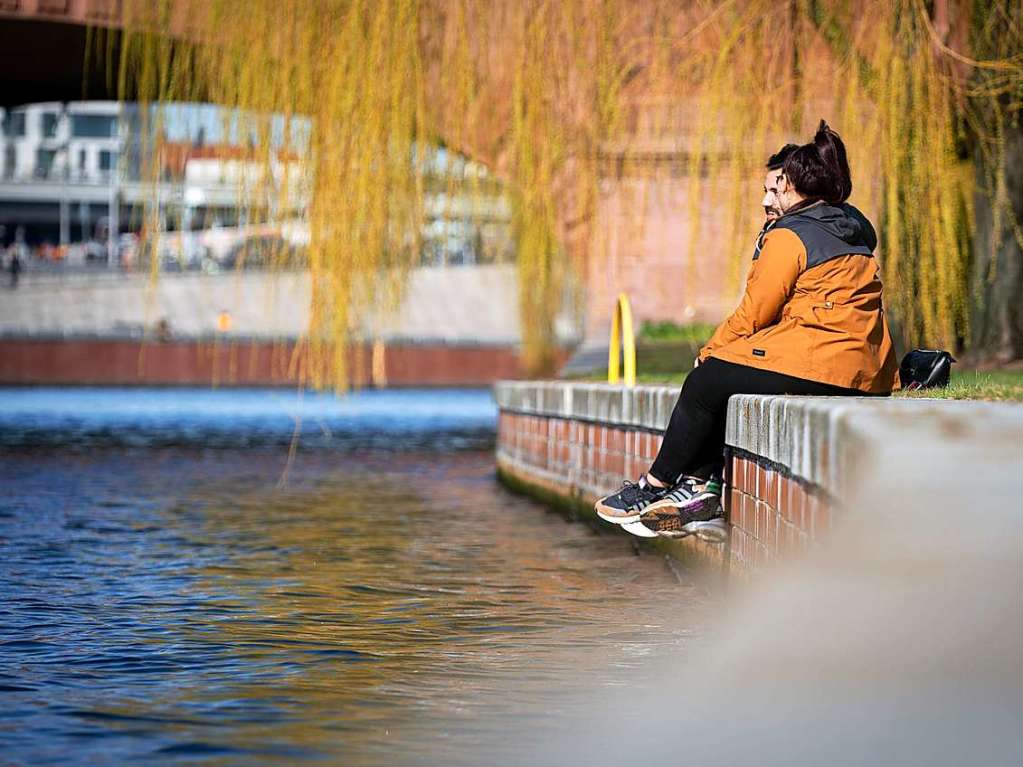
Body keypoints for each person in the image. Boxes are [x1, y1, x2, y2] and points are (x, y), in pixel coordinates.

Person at [595, 120, 898, 539]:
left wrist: (710, 348)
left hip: (823, 357)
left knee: (705, 381)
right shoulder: (846, 228)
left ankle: (656, 486)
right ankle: (699, 493)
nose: (765, 199)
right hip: (863, 366)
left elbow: (755, 312)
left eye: (775, 190)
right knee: (725, 376)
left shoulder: (792, 236)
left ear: (799, 190)